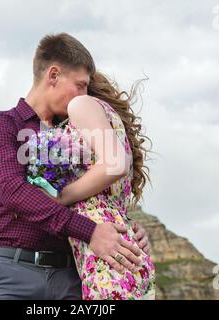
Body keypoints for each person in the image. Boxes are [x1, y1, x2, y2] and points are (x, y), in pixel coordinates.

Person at [0, 32, 151, 300]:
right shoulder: (3, 124)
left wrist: (124, 227)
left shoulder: (75, 130)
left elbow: (96, 191)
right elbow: (13, 192)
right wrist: (90, 231)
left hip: (70, 278)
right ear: (53, 75)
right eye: (80, 85)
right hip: (11, 271)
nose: (84, 95)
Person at [42, 71, 156, 299]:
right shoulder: (111, 123)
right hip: (123, 252)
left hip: (106, 259)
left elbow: (114, 165)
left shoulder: (80, 105)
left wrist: (59, 197)